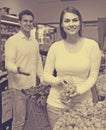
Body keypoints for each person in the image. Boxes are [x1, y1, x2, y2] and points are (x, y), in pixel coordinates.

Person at [43, 6, 101, 129]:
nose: (71, 24)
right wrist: (58, 80)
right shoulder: (55, 47)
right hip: (56, 105)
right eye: (67, 21)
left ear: (80, 23)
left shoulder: (92, 46)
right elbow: (46, 75)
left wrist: (78, 91)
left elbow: (93, 76)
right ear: (62, 25)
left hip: (83, 106)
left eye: (75, 20)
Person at [5, 10, 43, 130]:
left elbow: (38, 62)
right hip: (18, 88)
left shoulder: (34, 42)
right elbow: (8, 64)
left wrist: (42, 78)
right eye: (25, 21)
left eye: (31, 21)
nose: (28, 23)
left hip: (32, 88)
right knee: (19, 120)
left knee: (30, 118)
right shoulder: (12, 41)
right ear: (19, 22)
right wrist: (17, 69)